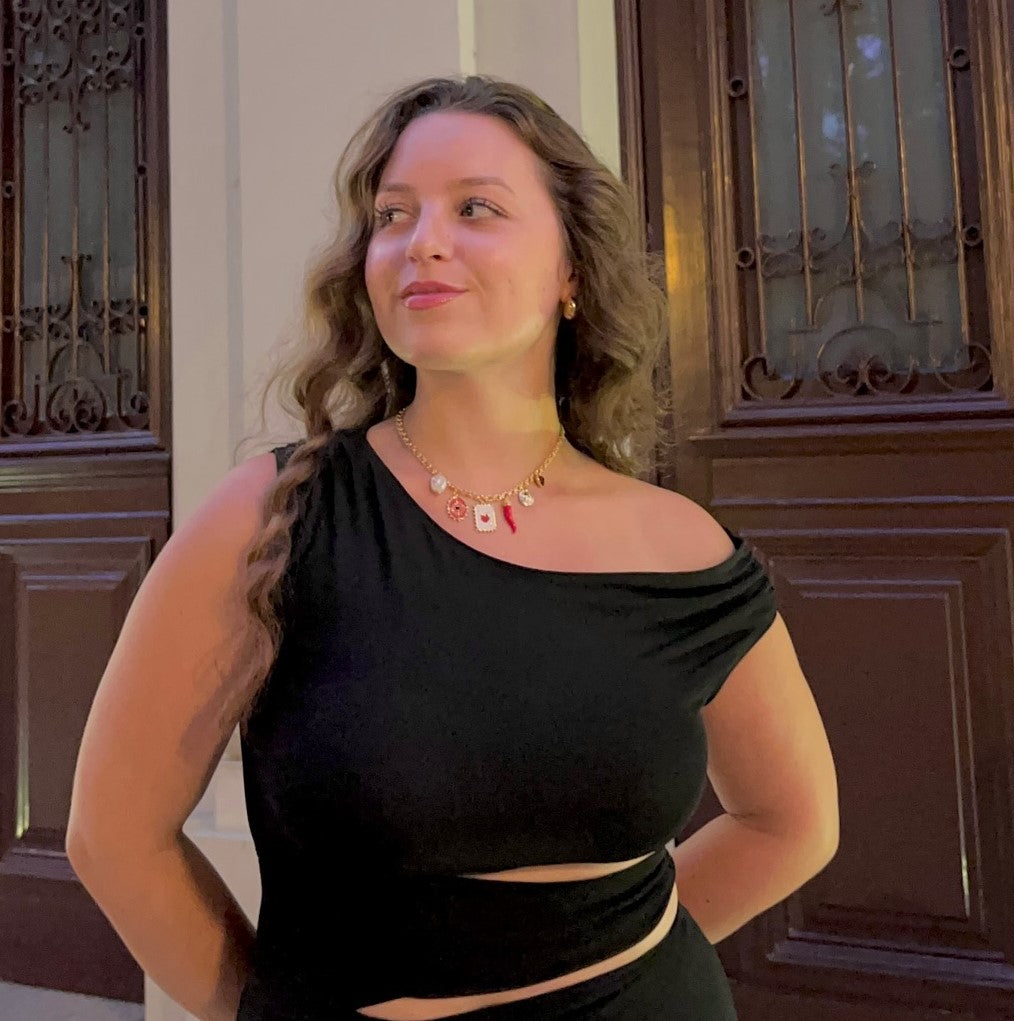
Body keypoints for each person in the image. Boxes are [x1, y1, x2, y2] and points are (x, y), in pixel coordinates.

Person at [67, 75, 839, 1020]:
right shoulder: (275, 518)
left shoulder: (680, 546)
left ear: (572, 272)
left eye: (475, 208)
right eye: (392, 215)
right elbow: (114, 837)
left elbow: (790, 822)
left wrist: (615, 968)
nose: (420, 241)